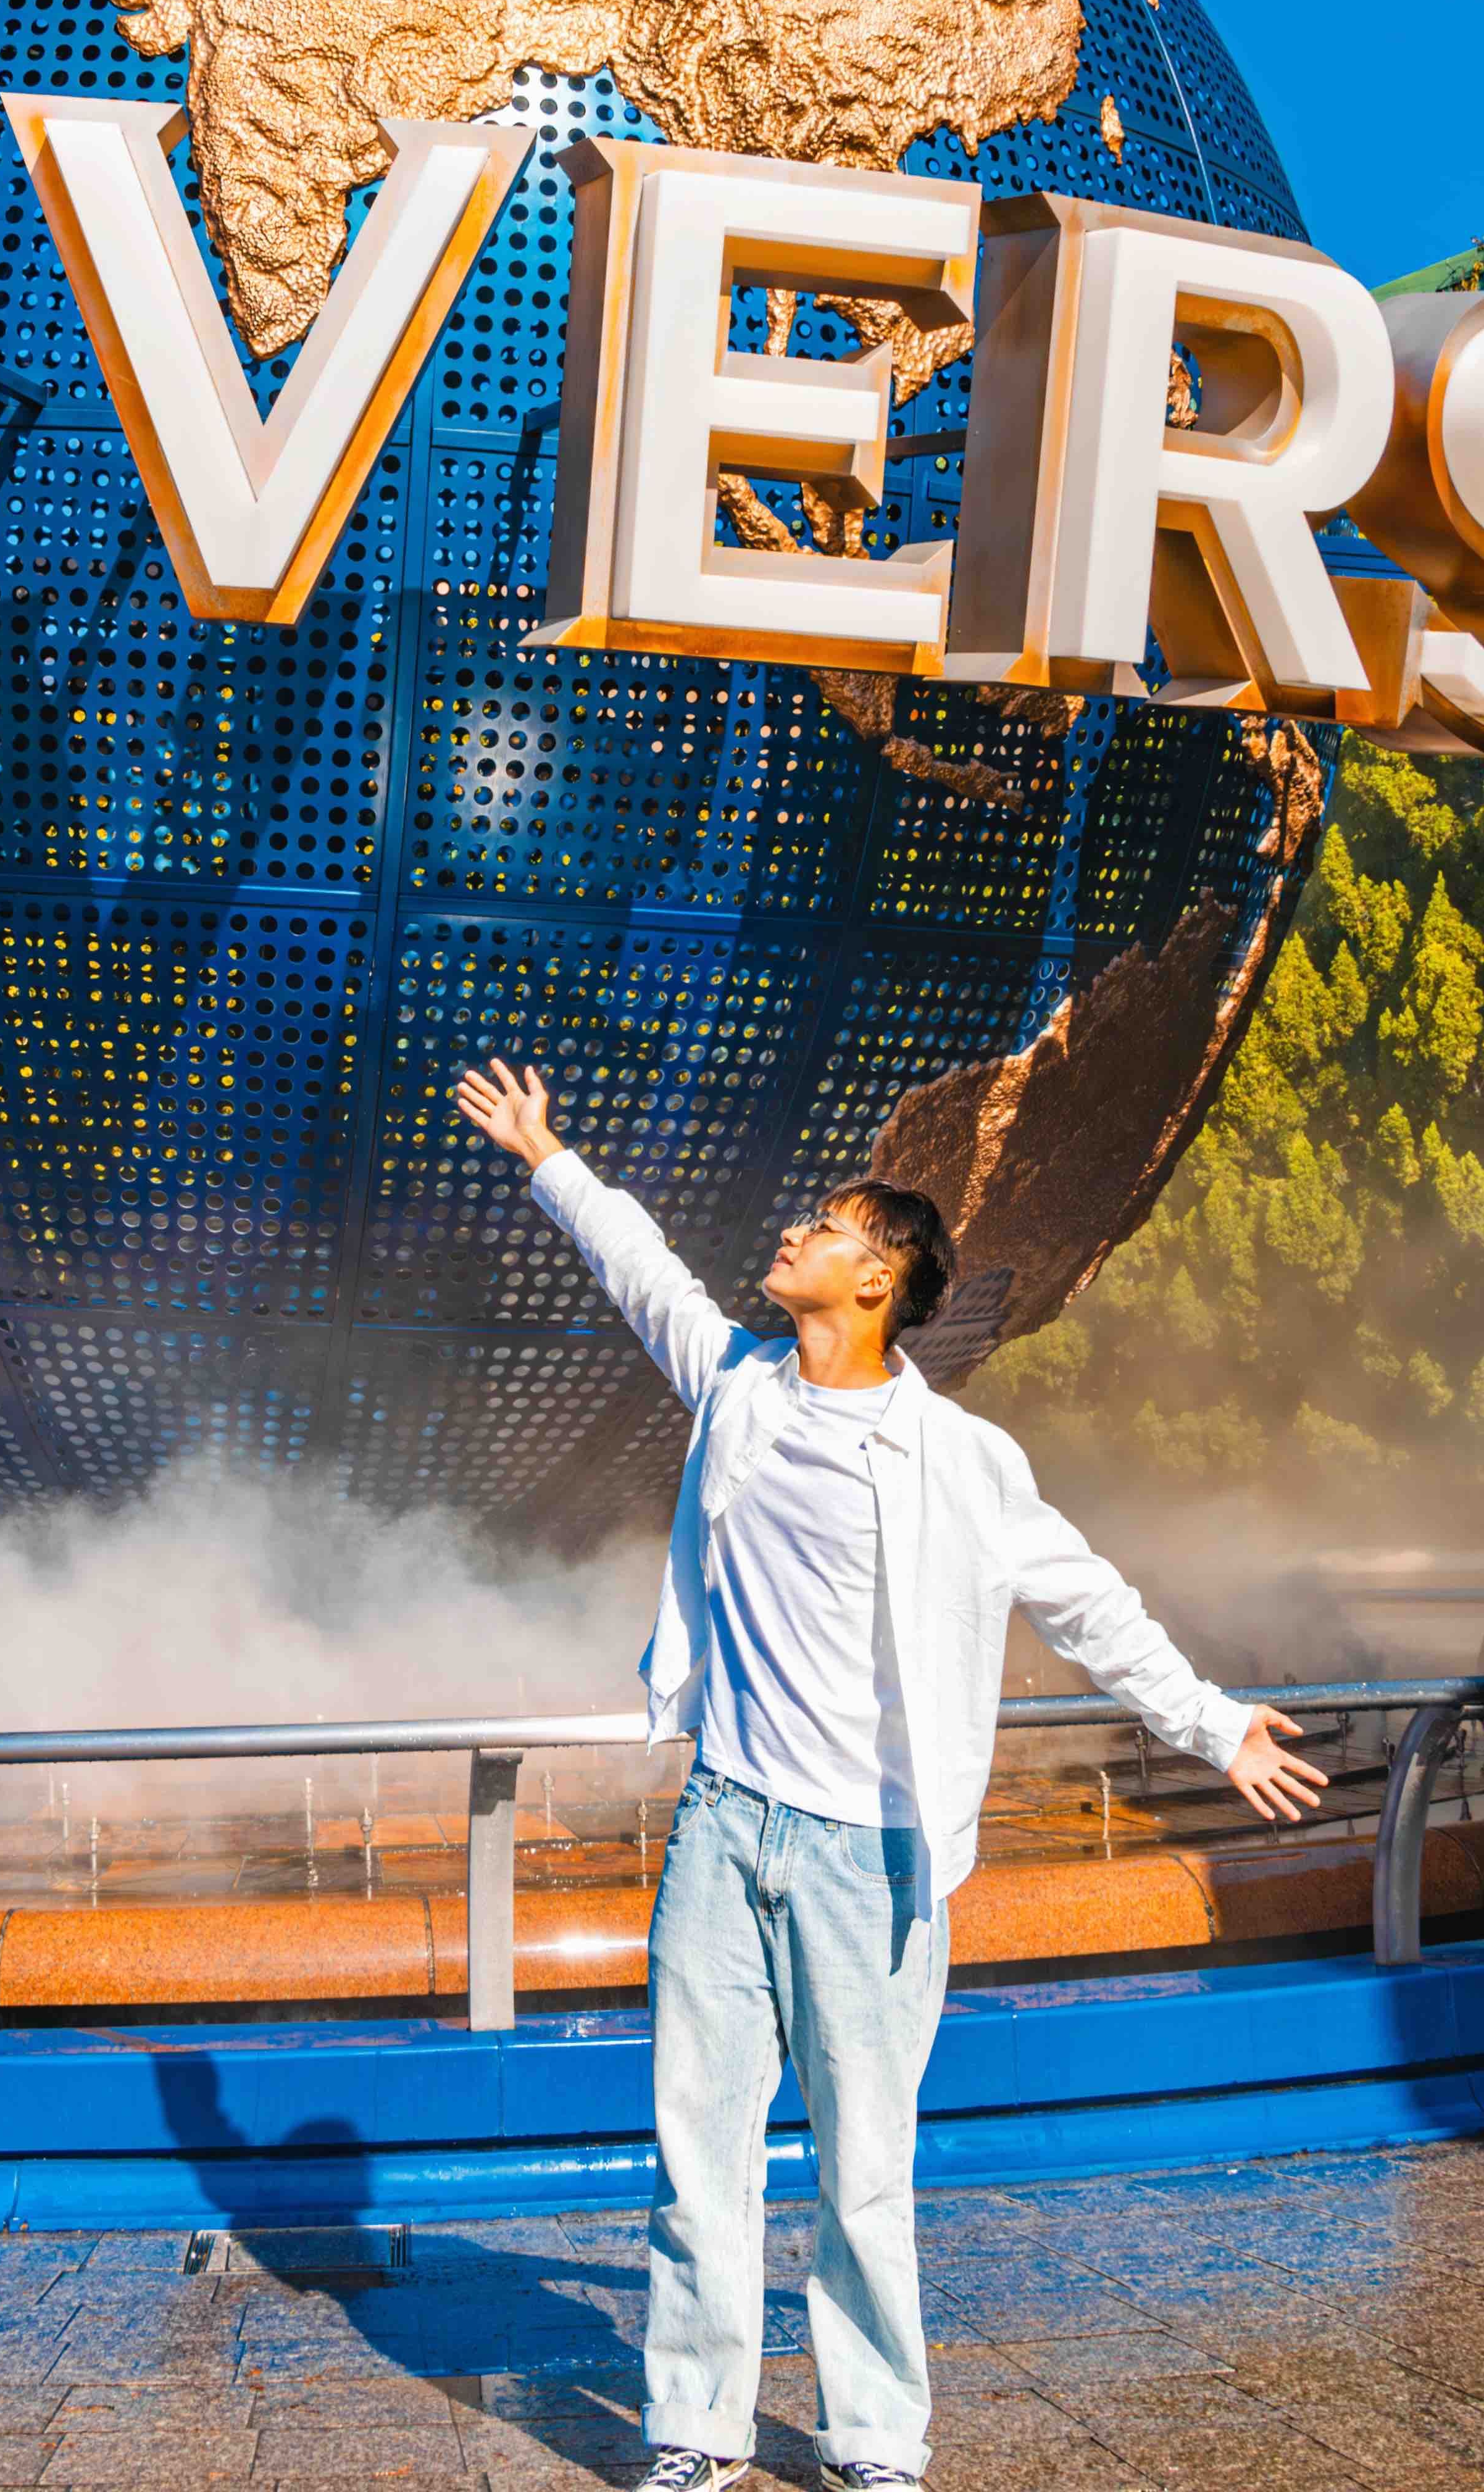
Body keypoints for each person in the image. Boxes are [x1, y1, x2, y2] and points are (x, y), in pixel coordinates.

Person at [451, 1057, 1327, 2492]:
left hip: (870, 1860)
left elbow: (1089, 1603)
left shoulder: (959, 1462)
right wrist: (550, 1159)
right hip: (725, 1828)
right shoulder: (739, 1388)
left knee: (863, 2174)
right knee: (698, 2158)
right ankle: (696, 2432)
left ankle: (873, 2445)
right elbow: (643, 1272)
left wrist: (1212, 1724)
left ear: (879, 1280)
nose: (795, 1233)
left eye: (828, 1226)